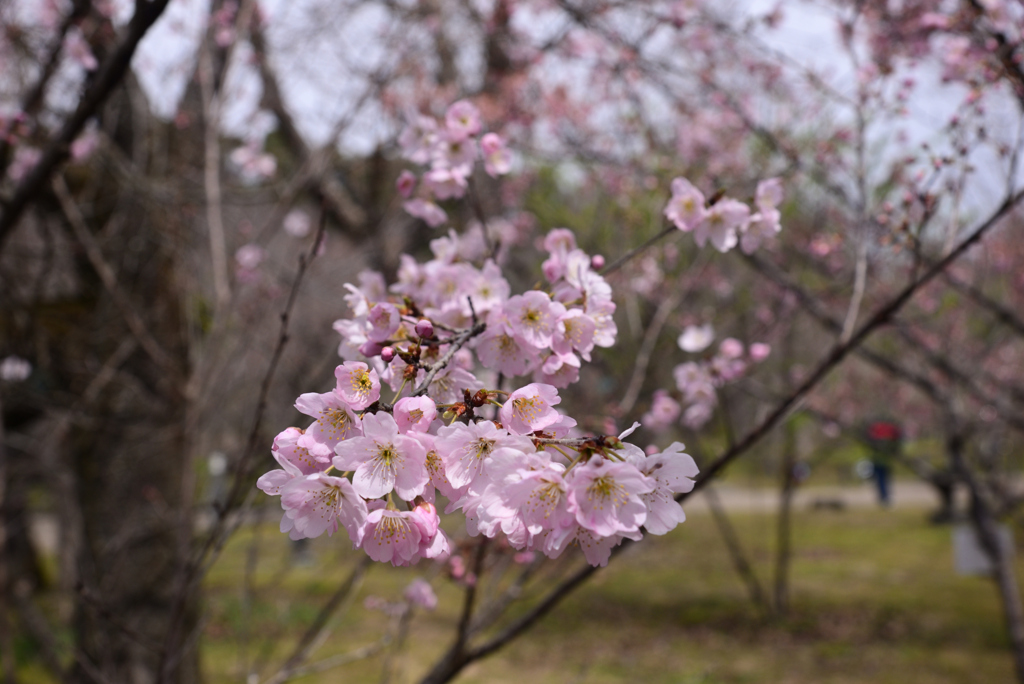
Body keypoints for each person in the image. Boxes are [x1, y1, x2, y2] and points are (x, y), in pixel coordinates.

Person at [864, 419, 902, 507]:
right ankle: (884, 497)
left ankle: (884, 497)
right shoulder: (885, 434)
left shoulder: (880, 434)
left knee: (881, 480)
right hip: (881, 462)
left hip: (881, 462)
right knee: (882, 480)